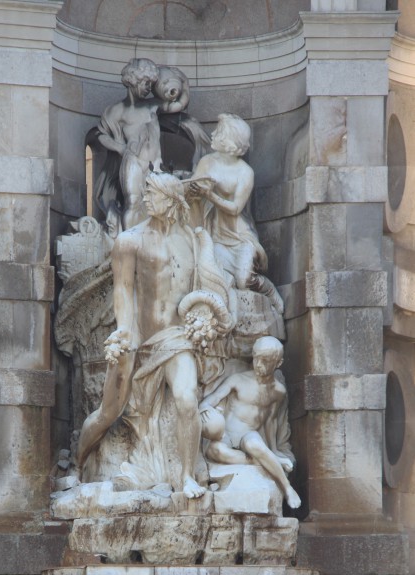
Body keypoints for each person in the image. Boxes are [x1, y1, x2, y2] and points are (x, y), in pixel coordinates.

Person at [76, 172, 228, 498]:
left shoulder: (193, 238)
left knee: (187, 399)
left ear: (171, 199)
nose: (146, 200)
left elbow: (207, 285)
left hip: (177, 339)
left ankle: (187, 477)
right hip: (140, 343)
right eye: (145, 193)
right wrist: (125, 332)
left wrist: (205, 317)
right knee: (107, 412)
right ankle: (77, 465)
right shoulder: (129, 241)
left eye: (153, 194)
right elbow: (122, 292)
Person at [186, 114, 283, 321]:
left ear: (230, 142)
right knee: (218, 278)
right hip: (215, 234)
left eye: (219, 132)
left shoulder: (245, 172)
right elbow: (193, 191)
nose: (213, 133)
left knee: (244, 279)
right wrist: (191, 189)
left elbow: (236, 208)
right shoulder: (207, 161)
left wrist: (210, 194)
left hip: (239, 235)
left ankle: (269, 291)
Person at [200, 336, 301, 509]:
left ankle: (287, 487)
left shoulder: (278, 391)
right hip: (226, 435)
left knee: (255, 444)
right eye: (256, 358)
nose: (258, 364)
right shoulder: (238, 379)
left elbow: (271, 421)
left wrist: (273, 448)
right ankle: (265, 461)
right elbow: (214, 397)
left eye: (265, 360)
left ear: (278, 362)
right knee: (214, 450)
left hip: (248, 435)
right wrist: (204, 407)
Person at [96, 59, 189, 229]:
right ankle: (128, 240)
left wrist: (184, 83)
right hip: (133, 161)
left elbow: (180, 104)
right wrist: (120, 148)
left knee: (158, 204)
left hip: (155, 163)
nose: (149, 88)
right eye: (146, 83)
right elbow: (101, 135)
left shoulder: (152, 105)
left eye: (151, 84)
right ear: (133, 80)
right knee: (133, 201)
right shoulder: (117, 110)